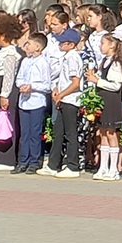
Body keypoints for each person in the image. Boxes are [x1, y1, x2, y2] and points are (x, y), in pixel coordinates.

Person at [39, 28, 84, 178]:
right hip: (62, 98)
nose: (60, 44)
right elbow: (63, 79)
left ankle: (72, 165)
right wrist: (57, 89)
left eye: (63, 42)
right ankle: (53, 164)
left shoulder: (73, 58)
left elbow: (75, 83)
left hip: (70, 100)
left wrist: (62, 95)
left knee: (70, 133)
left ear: (71, 44)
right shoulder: (65, 57)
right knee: (58, 132)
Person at [0, 16, 24, 172]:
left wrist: (4, 95)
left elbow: (8, 76)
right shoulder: (2, 51)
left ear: (4, 35)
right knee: (0, 122)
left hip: (6, 92)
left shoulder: (11, 53)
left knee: (7, 123)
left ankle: (7, 158)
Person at [87, 33, 122, 181]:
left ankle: (113, 168)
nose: (100, 46)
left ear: (112, 45)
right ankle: (103, 167)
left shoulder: (116, 63)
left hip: (112, 101)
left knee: (111, 133)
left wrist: (97, 81)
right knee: (102, 133)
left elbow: (116, 85)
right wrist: (93, 77)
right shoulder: (104, 61)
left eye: (103, 43)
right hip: (103, 99)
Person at [13, 33, 52, 174]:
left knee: (35, 133)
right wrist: (22, 85)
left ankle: (34, 161)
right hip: (24, 102)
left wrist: (32, 87)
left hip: (36, 102)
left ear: (37, 47)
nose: (26, 46)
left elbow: (47, 85)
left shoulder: (43, 63)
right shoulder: (25, 61)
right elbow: (19, 78)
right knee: (25, 133)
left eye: (29, 44)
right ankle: (23, 161)